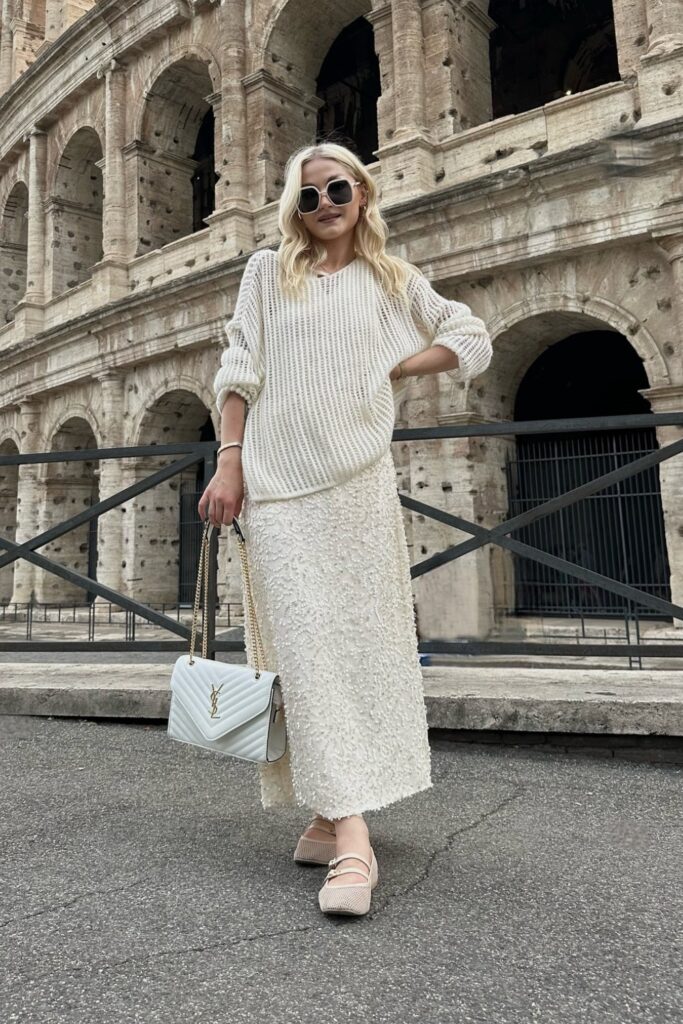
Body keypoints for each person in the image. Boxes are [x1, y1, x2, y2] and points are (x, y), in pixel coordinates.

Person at [198, 141, 492, 917]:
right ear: (293, 208)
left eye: (336, 189)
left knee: (356, 649)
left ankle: (330, 817)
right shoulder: (268, 271)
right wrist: (229, 461)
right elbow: (237, 370)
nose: (323, 203)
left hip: (355, 486)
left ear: (361, 193)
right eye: (307, 195)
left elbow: (470, 336)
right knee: (303, 647)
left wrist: (395, 367)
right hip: (276, 487)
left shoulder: (392, 280)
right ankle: (355, 837)